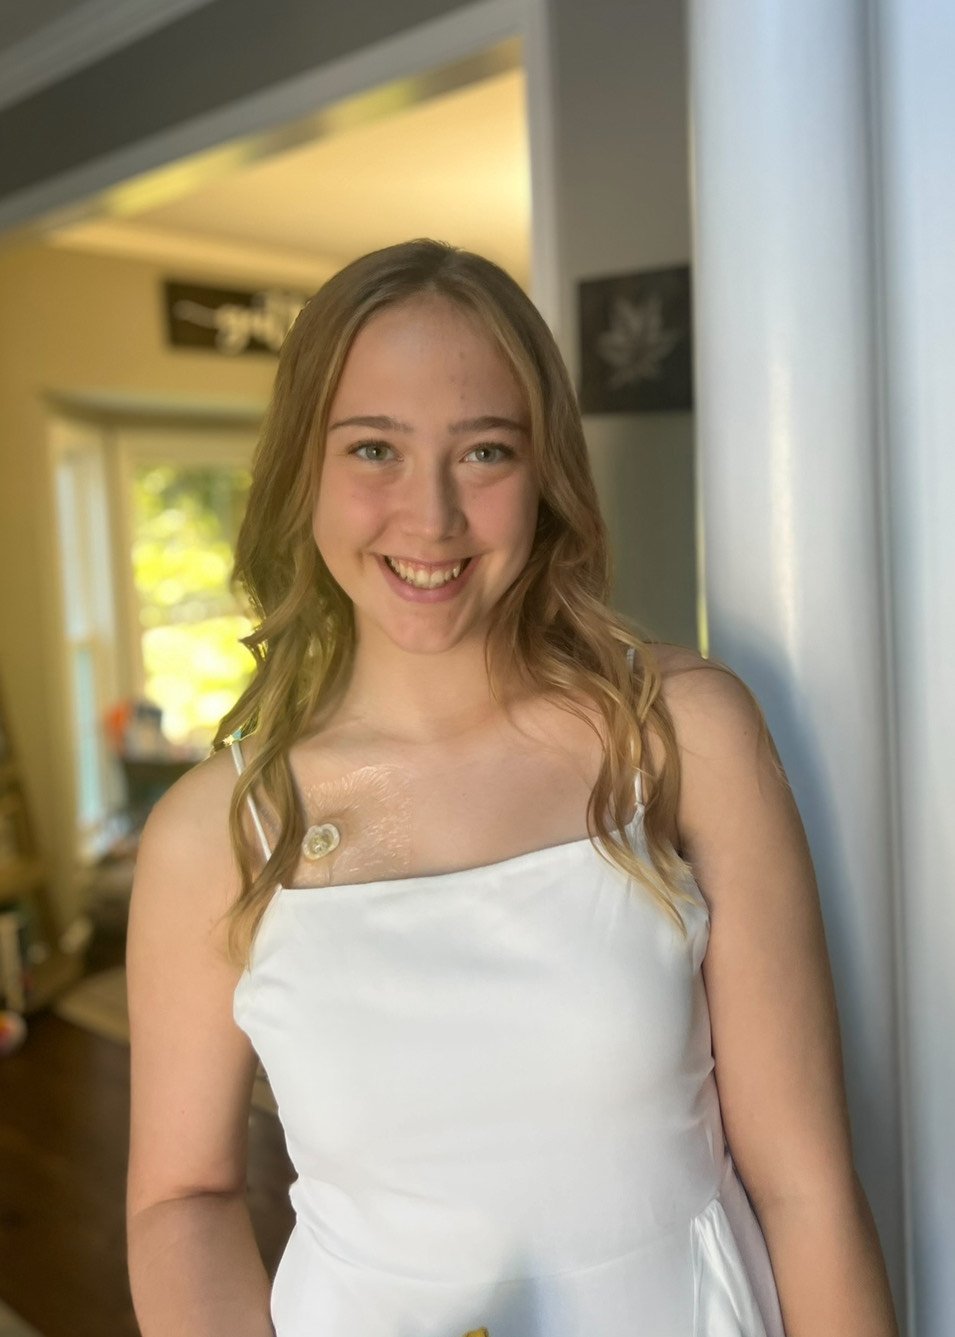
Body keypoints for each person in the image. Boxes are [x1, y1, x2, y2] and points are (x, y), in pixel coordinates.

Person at [125, 239, 899, 1337]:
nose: (431, 516)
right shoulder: (215, 831)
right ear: (303, 468)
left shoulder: (679, 736)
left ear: (545, 474)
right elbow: (181, 1198)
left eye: (483, 450)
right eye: (373, 449)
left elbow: (806, 1185)